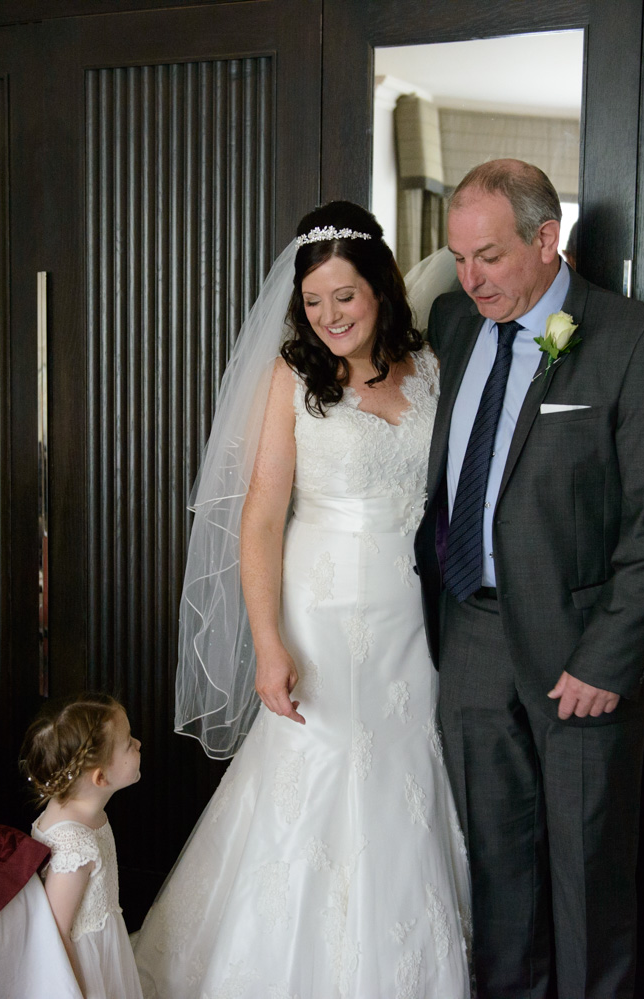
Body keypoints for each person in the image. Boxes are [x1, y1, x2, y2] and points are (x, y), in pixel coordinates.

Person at [134, 202, 472, 997]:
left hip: (413, 617)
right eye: (314, 301)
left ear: (381, 288)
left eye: (345, 297)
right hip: (321, 616)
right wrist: (268, 642)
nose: (329, 316)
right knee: (317, 773)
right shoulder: (292, 374)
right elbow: (260, 515)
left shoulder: (430, 365)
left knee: (404, 772)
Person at [413, 159, 644, 998]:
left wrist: (609, 659)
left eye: (489, 257)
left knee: (588, 880)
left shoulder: (636, 339)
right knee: (497, 877)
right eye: (459, 258)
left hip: (581, 654)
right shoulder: (452, 323)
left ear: (546, 239)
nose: (470, 279)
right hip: (470, 634)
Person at [21, 693, 144, 999]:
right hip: (83, 962)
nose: (139, 744)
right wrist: (78, 991)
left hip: (104, 939)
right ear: (100, 778)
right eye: (128, 743)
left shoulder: (82, 806)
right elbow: (57, 931)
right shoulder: (74, 847)